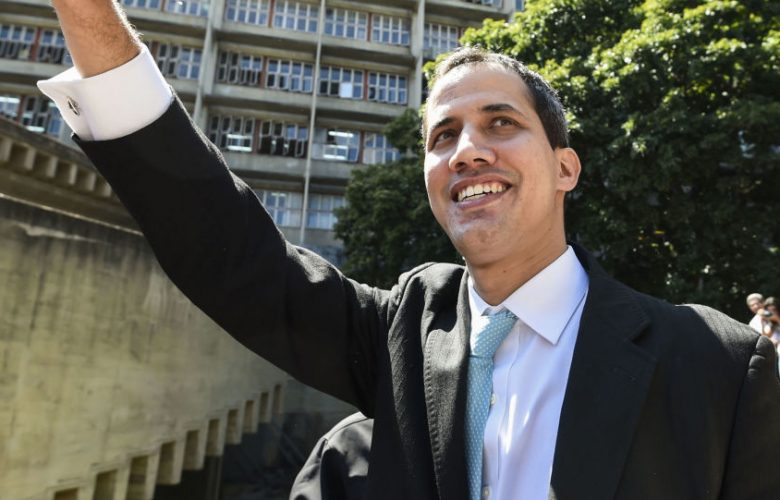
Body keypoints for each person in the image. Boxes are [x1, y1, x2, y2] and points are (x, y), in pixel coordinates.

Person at [38, 2, 780, 499]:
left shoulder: (719, 364)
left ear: (565, 168)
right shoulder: (404, 333)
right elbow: (228, 252)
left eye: (500, 123)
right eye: (442, 136)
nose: (467, 151)